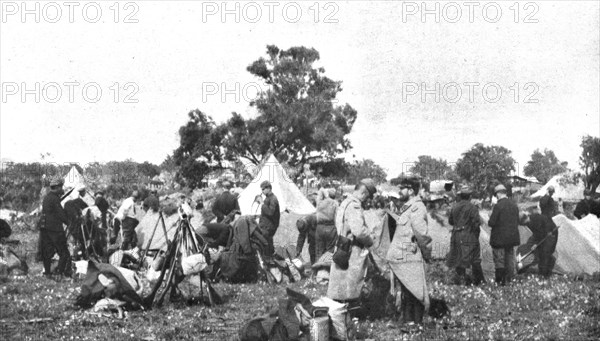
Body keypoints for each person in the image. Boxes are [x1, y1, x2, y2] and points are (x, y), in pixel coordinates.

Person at [387, 177, 432, 327]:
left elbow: (422, 235)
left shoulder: (417, 207)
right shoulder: (407, 207)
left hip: (410, 255)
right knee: (408, 290)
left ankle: (416, 322)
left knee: (416, 291)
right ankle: (409, 321)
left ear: (411, 191)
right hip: (404, 256)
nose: (399, 191)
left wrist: (427, 254)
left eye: (402, 188)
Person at [327, 179, 376, 309]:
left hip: (342, 244)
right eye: (367, 197)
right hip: (352, 248)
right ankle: (349, 311)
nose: (367, 201)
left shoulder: (345, 202)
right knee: (350, 283)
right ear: (364, 193)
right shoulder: (355, 206)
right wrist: (370, 240)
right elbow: (359, 231)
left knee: (340, 282)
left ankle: (340, 310)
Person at [447, 185, 485, 286]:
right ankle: (479, 282)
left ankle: (460, 282)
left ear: (461, 195)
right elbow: (476, 223)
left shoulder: (455, 207)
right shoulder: (472, 207)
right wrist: (475, 235)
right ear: (470, 196)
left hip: (456, 235)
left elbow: (450, 221)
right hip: (469, 235)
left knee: (458, 259)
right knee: (475, 259)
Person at [488, 184, 520, 285]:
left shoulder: (498, 206)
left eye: (496, 194)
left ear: (498, 194)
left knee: (499, 261)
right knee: (510, 260)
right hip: (511, 238)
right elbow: (517, 221)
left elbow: (491, 223)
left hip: (499, 239)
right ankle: (509, 281)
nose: (495, 196)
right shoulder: (514, 205)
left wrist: (490, 215)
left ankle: (499, 282)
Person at [40, 178, 71, 279]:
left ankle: (48, 273)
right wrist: (69, 222)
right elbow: (61, 214)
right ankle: (59, 274)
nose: (62, 189)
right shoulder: (55, 199)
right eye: (61, 187)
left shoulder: (47, 198)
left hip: (45, 228)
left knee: (47, 252)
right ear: (57, 187)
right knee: (64, 252)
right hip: (55, 229)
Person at [519, 211, 558, 278]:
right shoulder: (529, 222)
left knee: (545, 253)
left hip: (551, 233)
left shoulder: (535, 219)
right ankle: (543, 271)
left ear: (525, 219)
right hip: (544, 234)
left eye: (524, 224)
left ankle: (545, 274)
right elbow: (537, 233)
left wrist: (536, 244)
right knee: (540, 252)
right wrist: (534, 244)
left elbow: (540, 233)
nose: (525, 225)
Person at [256, 181, 280, 259]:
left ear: (269, 188)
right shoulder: (269, 197)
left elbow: (270, 213)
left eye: (263, 189)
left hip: (269, 227)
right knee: (268, 245)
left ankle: (269, 261)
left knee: (265, 246)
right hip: (266, 226)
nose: (262, 191)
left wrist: (262, 203)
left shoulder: (273, 198)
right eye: (262, 189)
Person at [64, 184, 89, 255]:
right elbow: (86, 208)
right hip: (74, 220)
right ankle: (80, 250)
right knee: (77, 234)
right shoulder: (78, 199)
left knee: (71, 233)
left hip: (70, 220)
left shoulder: (75, 198)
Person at [315, 188, 338, 262]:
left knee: (319, 251)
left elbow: (321, 190)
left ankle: (317, 270)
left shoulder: (320, 202)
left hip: (320, 227)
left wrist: (325, 193)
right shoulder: (335, 203)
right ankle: (327, 270)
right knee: (330, 251)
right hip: (331, 228)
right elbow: (336, 217)